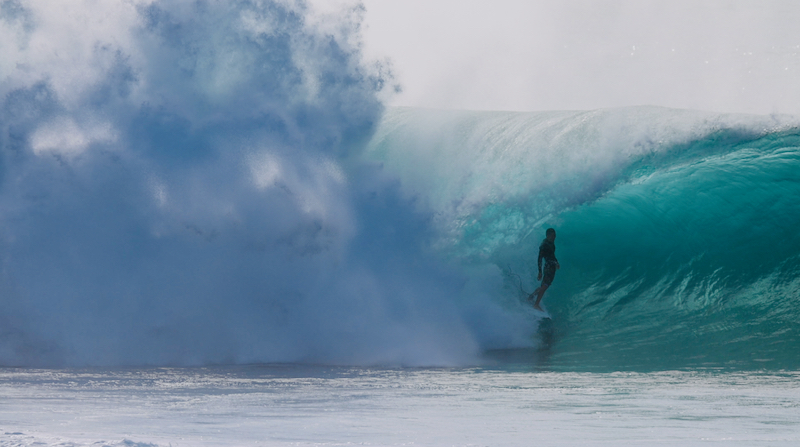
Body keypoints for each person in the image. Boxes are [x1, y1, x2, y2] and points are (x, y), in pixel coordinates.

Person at [528, 228, 559, 311]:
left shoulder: (551, 243)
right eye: (553, 235)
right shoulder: (544, 245)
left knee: (544, 285)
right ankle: (536, 304)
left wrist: (556, 262)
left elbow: (552, 255)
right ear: (548, 235)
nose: (554, 237)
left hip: (552, 266)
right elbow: (540, 258)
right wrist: (540, 272)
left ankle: (531, 297)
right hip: (548, 267)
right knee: (545, 286)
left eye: (555, 235)